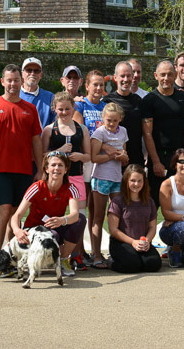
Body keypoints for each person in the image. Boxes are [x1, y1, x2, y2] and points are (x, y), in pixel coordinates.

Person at [0, 64, 43, 277]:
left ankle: (9, 258)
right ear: (2, 81)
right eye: (9, 80)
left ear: (21, 82)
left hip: (24, 170)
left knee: (17, 216)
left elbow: (36, 141)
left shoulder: (30, 109)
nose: (13, 84)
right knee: (3, 212)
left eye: (16, 80)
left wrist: (40, 169)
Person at [10, 151, 86, 277]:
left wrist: (62, 220)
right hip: (35, 231)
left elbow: (75, 215)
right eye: (53, 165)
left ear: (66, 169)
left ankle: (63, 260)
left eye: (61, 165)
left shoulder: (71, 188)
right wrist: (17, 230)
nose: (57, 168)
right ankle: (36, 259)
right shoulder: (36, 187)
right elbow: (16, 216)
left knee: (81, 220)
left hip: (55, 226)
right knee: (53, 235)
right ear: (46, 169)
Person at [41, 91, 91, 270]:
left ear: (73, 108)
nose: (64, 112)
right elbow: (42, 155)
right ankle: (53, 255)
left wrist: (79, 156)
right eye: (60, 109)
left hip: (76, 178)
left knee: (79, 218)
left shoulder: (81, 129)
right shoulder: (49, 129)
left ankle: (75, 256)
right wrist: (60, 151)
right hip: (55, 180)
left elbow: (88, 155)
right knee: (56, 216)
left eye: (67, 109)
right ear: (55, 109)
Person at [141, 60, 184, 205]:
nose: (166, 78)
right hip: (158, 158)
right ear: (155, 76)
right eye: (162, 74)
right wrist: (156, 162)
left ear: (175, 75)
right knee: (153, 202)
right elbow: (147, 134)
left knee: (180, 202)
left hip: (179, 156)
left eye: (170, 75)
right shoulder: (149, 100)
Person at [90, 102, 129, 268]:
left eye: (114, 120)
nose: (111, 123)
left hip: (117, 178)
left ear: (120, 119)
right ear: (103, 119)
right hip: (100, 178)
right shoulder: (99, 132)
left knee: (117, 217)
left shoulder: (124, 132)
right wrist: (111, 156)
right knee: (98, 217)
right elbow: (94, 158)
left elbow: (125, 157)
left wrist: (122, 156)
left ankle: (116, 253)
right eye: (108, 120)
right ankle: (97, 255)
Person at [108, 164, 162, 273]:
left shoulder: (149, 201)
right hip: (122, 242)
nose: (136, 184)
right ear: (126, 181)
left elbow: (152, 227)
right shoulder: (117, 202)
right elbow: (113, 230)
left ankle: (139, 260)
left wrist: (147, 240)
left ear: (144, 182)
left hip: (142, 242)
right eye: (133, 180)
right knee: (132, 265)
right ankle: (111, 261)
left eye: (139, 181)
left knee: (154, 264)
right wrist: (133, 242)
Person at [78, 70, 107, 261]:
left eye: (101, 85)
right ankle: (78, 251)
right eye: (94, 84)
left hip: (101, 163)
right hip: (85, 161)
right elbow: (81, 133)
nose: (98, 88)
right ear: (86, 86)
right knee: (80, 208)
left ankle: (95, 251)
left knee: (95, 210)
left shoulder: (107, 107)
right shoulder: (80, 105)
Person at [102, 61, 144, 166]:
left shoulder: (139, 101)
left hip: (135, 158)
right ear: (115, 78)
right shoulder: (106, 101)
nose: (126, 79)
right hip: (112, 159)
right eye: (122, 76)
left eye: (128, 76)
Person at [19, 57, 55, 128]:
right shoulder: (14, 96)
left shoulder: (50, 97)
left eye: (36, 71)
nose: (32, 73)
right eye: (29, 70)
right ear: (22, 74)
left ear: (41, 75)